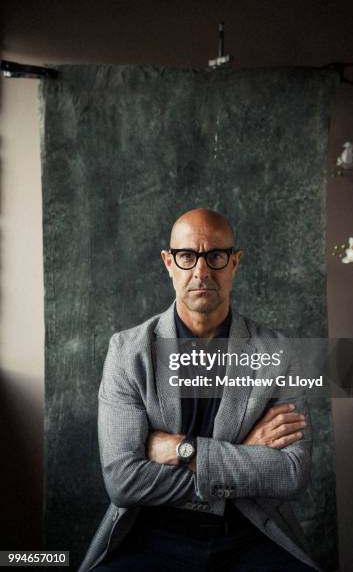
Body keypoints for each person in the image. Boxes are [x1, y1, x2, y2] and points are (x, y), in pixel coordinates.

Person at [79, 208, 320, 572]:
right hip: (150, 533)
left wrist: (183, 449)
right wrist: (242, 455)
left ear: (235, 262)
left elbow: (290, 472)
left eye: (216, 257)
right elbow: (123, 483)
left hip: (249, 531)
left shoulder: (278, 351)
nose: (202, 272)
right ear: (168, 262)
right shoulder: (127, 352)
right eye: (188, 256)